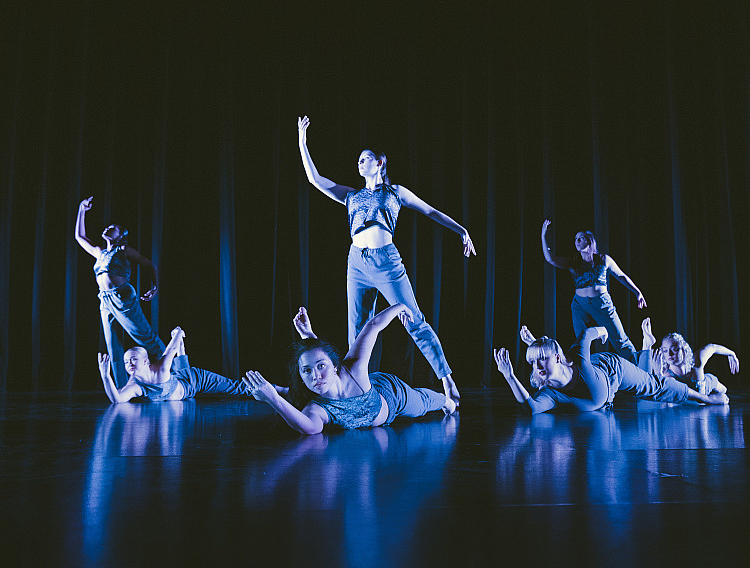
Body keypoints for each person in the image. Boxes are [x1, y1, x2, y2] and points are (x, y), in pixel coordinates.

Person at [297, 115, 475, 402]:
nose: (360, 162)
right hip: (356, 262)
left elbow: (430, 211)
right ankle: (353, 390)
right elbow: (315, 180)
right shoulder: (351, 195)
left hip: (386, 262)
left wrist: (462, 230)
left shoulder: (395, 192)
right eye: (358, 159)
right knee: (357, 330)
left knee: (413, 319)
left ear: (380, 163)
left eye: (365, 158)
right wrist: (303, 143)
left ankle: (447, 381)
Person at [243, 302, 457, 434]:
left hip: (391, 396)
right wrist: (273, 398)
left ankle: (447, 401)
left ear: (334, 367)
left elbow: (373, 327)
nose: (315, 376)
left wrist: (400, 306)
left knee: (423, 404)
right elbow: (309, 428)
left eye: (321, 367)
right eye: (306, 371)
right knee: (294, 389)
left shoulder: (352, 368)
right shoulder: (316, 408)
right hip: (365, 397)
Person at [493, 325, 729, 413]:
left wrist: (603, 330)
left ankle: (706, 398)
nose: (537, 367)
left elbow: (587, 335)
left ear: (556, 356)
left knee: (653, 385)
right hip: (599, 390)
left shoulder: (576, 356)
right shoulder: (549, 394)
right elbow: (531, 408)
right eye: (533, 362)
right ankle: (646, 348)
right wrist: (510, 376)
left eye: (541, 359)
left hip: (612, 369)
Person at [75, 196, 165, 386]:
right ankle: (123, 388)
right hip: (105, 301)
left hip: (122, 298)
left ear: (120, 236)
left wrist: (155, 286)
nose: (107, 228)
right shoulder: (99, 252)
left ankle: (172, 372)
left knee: (145, 336)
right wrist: (81, 210)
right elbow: (80, 237)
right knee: (113, 346)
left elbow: (151, 265)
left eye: (112, 227)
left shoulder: (123, 250)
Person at [540, 219, 647, 365]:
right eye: (575, 239)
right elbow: (550, 259)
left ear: (589, 241)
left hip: (601, 303)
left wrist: (637, 292)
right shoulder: (574, 261)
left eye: (580, 238)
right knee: (581, 341)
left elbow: (621, 275)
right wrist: (543, 235)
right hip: (579, 304)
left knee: (620, 339)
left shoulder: (604, 259)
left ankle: (640, 370)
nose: (577, 241)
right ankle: (583, 373)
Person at [98, 326, 252, 403]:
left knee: (235, 388)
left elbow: (170, 350)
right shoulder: (135, 385)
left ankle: (274, 389)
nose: (129, 364)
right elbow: (117, 399)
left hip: (194, 380)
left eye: (133, 359)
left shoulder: (160, 369)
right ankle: (182, 348)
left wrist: (178, 334)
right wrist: (105, 376)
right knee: (178, 371)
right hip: (177, 377)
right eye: (126, 361)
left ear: (145, 361)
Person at [641, 317, 740, 396]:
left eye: (674, 349)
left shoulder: (697, 361)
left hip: (706, 383)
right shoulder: (667, 376)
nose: (669, 354)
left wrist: (732, 354)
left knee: (723, 390)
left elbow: (713, 347)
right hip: (693, 397)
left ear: (684, 350)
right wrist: (659, 374)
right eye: (665, 351)